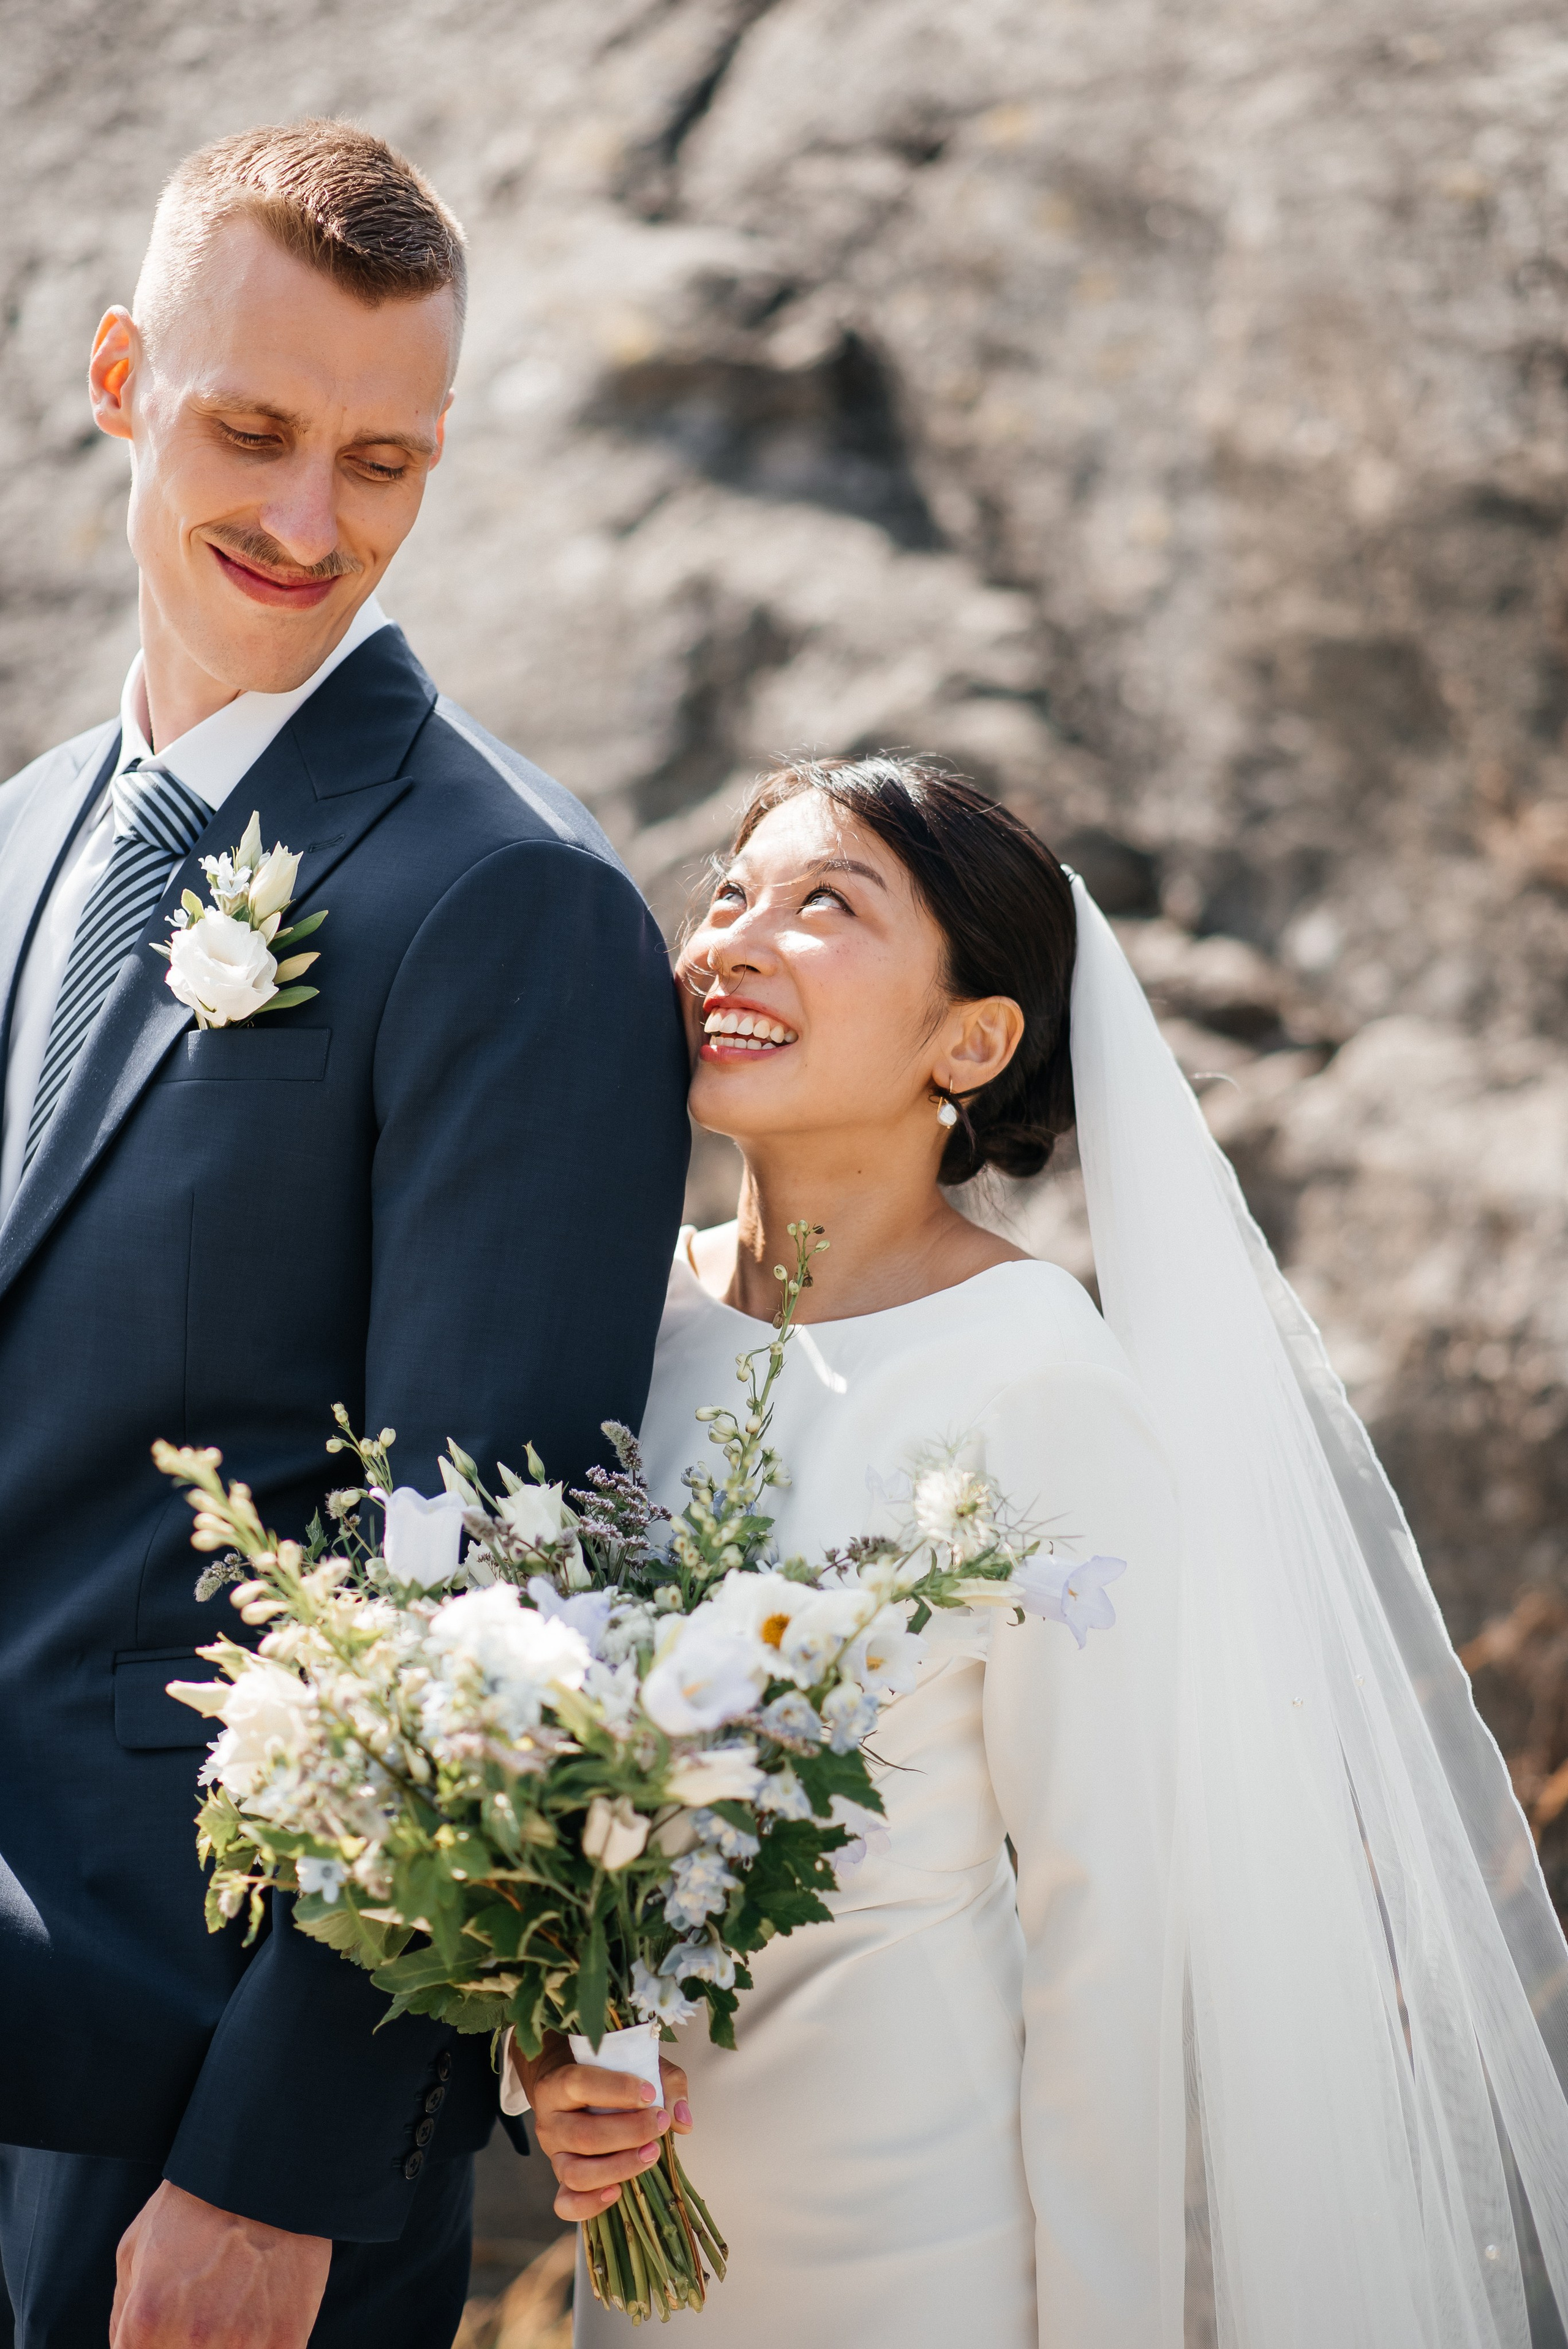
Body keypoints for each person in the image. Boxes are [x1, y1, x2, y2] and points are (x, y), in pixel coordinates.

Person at [514, 756, 1568, 2348]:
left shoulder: (1032, 1371)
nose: (731, 941)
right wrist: (549, 2050)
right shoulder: (622, 1314)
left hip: (912, 2235)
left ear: (972, 1040)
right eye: (728, 895)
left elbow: (1108, 1931)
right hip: (642, 2230)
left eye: (825, 905)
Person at [0, 122, 688, 2349]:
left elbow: (497, 1603)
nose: (311, 522)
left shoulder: (508, 902)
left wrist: (275, 2172)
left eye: (381, 461)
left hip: (184, 2124)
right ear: (120, 376)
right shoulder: (24, 836)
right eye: (255, 431)